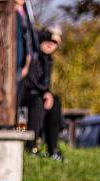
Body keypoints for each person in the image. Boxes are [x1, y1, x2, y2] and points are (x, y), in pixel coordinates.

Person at [19, 28, 64, 159]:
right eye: (48, 40)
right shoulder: (32, 53)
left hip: (39, 94)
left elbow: (45, 82)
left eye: (55, 43)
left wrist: (47, 93)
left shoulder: (48, 60)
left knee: (55, 103)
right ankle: (31, 147)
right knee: (37, 102)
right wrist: (44, 93)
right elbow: (31, 79)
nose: (51, 44)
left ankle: (53, 149)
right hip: (24, 94)